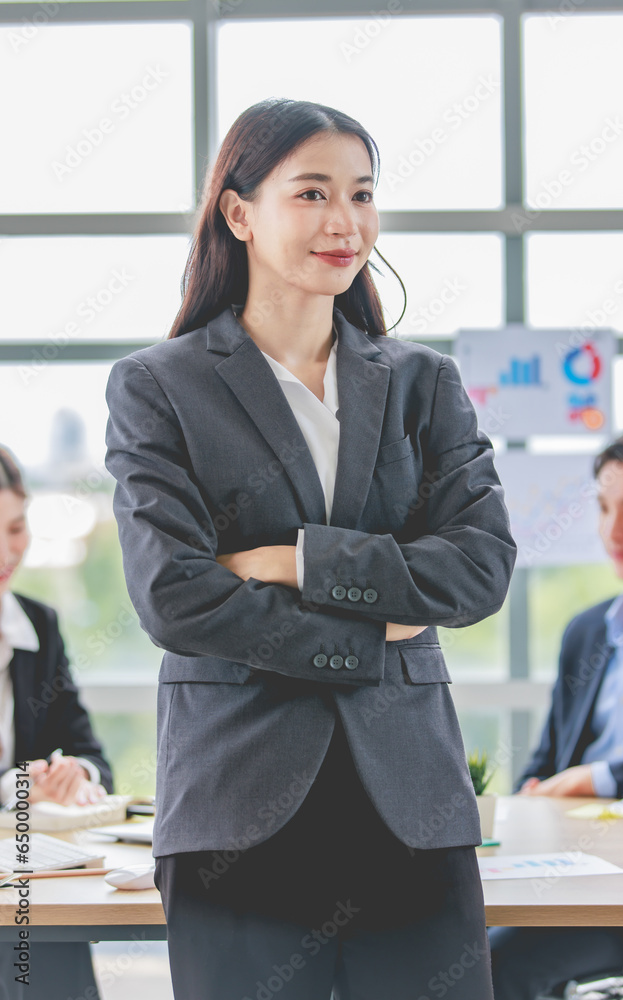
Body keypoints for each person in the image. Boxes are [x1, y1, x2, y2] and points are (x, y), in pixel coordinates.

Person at [105, 97, 517, 1000]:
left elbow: (477, 567)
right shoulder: (158, 387)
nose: (345, 222)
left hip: (410, 801)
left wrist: (292, 559)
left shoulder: (421, 383)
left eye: (363, 194)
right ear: (240, 212)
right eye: (313, 192)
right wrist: (374, 634)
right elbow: (175, 598)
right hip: (235, 805)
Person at [490, 429, 623, 1000]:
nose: (612, 531)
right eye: (604, 508)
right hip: (569, 870)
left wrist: (596, 778)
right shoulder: (590, 631)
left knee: (491, 968)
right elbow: (546, 760)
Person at [0, 446, 113, 1000]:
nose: (5, 551)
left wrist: (76, 775)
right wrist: (16, 788)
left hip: (29, 882)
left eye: (16, 527)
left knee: (47, 947)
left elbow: (90, 752)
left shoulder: (37, 625)